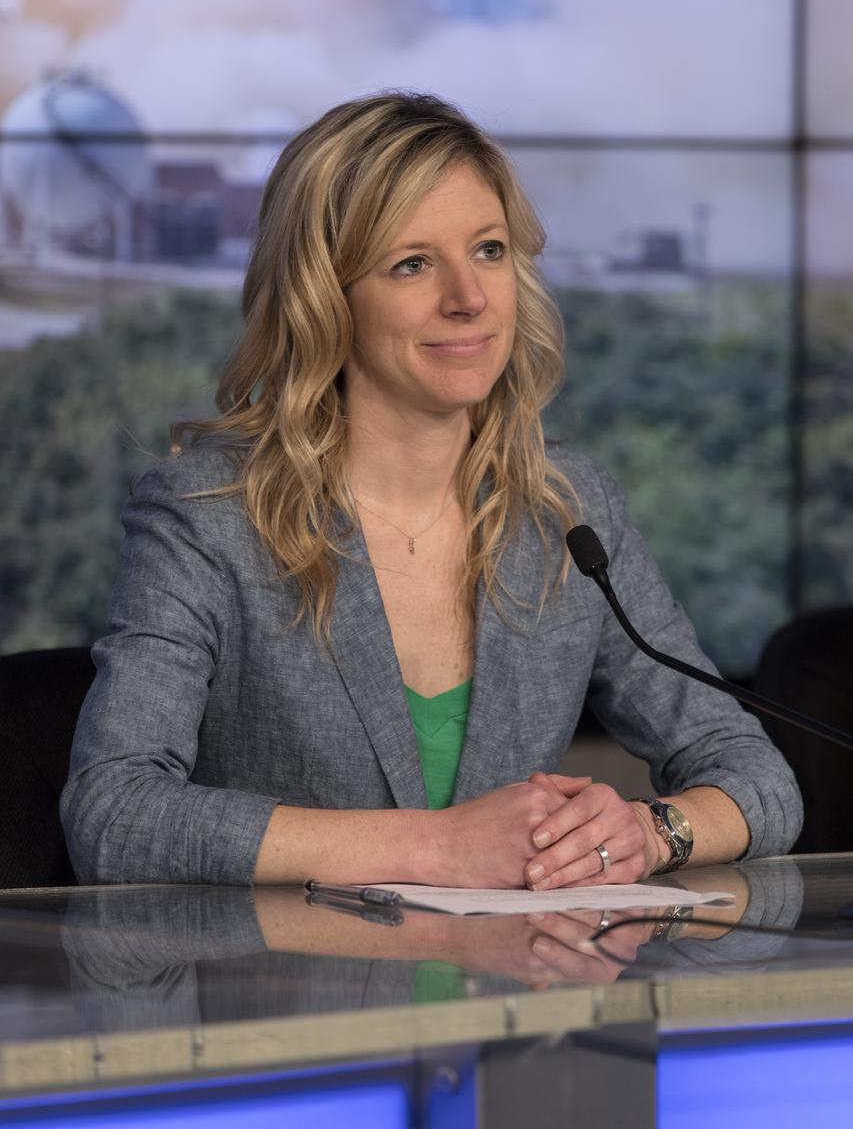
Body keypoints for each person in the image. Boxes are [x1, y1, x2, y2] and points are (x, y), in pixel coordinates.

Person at [60, 92, 802, 889]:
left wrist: (649, 835)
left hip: (519, 1009)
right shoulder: (206, 517)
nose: (469, 297)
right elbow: (116, 813)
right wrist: (435, 847)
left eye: (486, 250)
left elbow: (757, 778)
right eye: (411, 263)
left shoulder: (565, 509)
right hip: (285, 1004)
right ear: (323, 296)